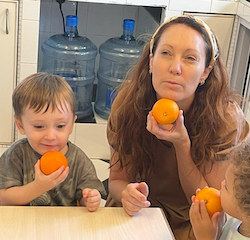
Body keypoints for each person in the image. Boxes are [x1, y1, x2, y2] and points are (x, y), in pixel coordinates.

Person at [105, 14, 250, 239]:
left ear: (205, 71)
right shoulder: (127, 104)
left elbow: (209, 205)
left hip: (192, 221)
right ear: (151, 61)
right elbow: (116, 180)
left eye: (190, 58)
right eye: (166, 53)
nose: (175, 68)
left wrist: (182, 145)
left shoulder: (225, 118)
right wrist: (127, 194)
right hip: (137, 214)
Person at [0, 72, 106, 211]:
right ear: (20, 125)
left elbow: (89, 192)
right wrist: (37, 187)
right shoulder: (16, 155)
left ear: (71, 125)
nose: (50, 136)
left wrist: (90, 198)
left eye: (60, 126)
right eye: (39, 126)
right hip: (24, 225)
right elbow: (4, 199)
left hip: (64, 225)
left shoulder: (78, 159)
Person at [189, 140, 250, 239]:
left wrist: (205, 237)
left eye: (226, 187)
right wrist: (219, 228)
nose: (221, 184)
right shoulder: (238, 220)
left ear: (245, 208)